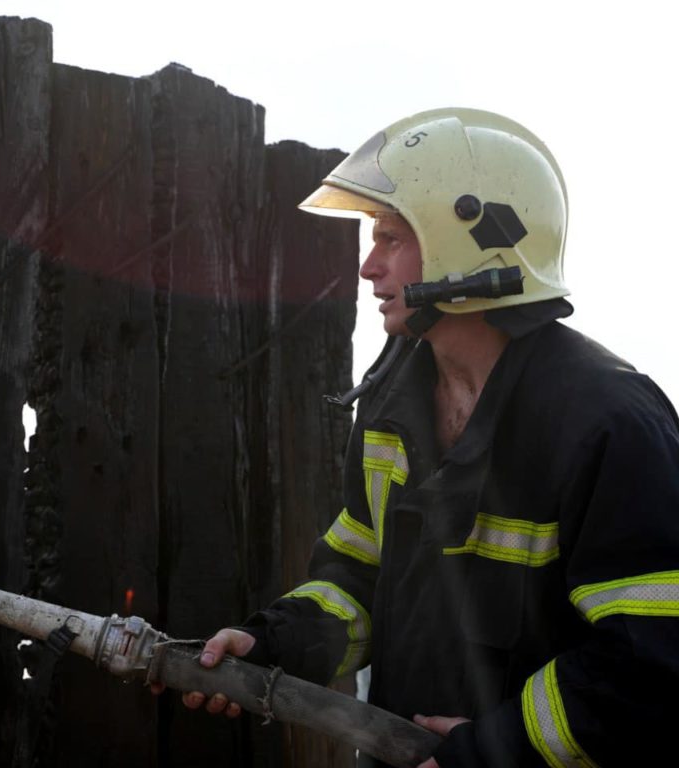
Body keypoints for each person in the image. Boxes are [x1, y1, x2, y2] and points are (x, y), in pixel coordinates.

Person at [155, 108, 679, 767]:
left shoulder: (607, 423)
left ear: (472, 246)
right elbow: (359, 576)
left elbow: (652, 656)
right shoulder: (388, 407)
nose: (370, 267)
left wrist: (492, 751)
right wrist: (270, 645)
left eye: (393, 239)